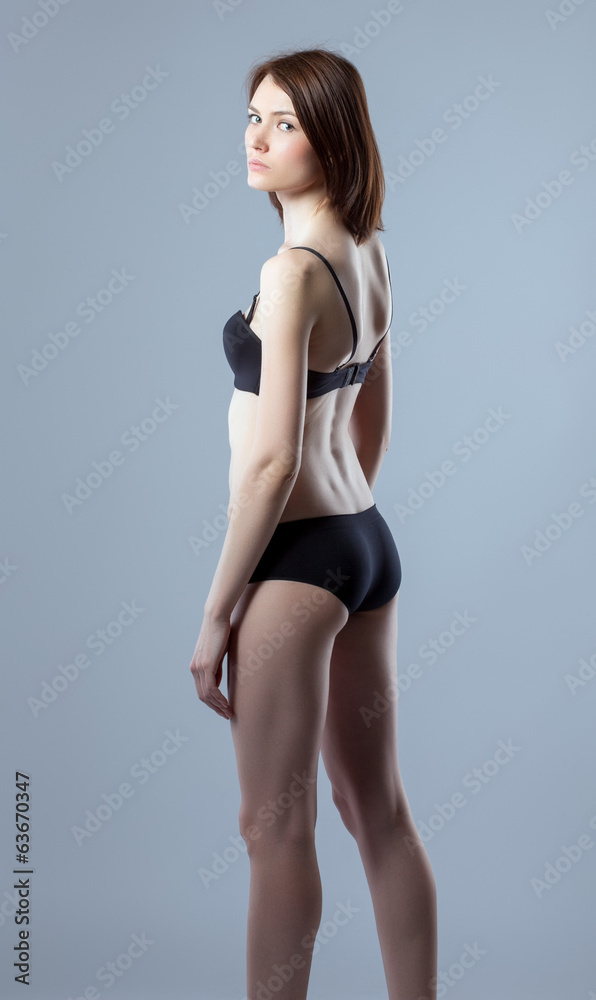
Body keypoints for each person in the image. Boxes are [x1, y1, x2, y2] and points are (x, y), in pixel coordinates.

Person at [190, 47, 437, 1000]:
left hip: (297, 558)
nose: (258, 138)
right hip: (364, 542)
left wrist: (220, 612)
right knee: (379, 814)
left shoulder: (293, 272)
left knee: (274, 830)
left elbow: (272, 462)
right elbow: (372, 423)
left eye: (285, 123)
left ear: (332, 138)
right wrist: (343, 531)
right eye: (253, 116)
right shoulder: (369, 252)